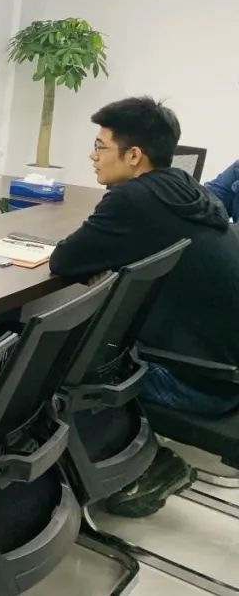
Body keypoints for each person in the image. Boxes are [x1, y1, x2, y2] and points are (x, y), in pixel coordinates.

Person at [49, 97, 239, 517]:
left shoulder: (133, 200)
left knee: (43, 368)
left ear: (133, 156)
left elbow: (64, 260)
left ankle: (147, 466)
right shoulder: (186, 189)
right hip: (224, 368)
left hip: (198, 382)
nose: (92, 156)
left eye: (100, 147)